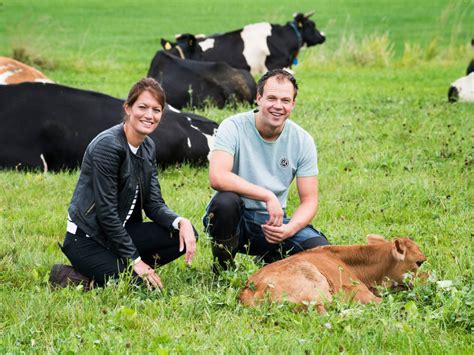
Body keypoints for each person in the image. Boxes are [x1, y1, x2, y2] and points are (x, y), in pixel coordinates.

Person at [49, 77, 197, 290]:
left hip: (121, 234)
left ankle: (117, 267)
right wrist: (137, 261)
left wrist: (180, 221)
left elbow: (154, 204)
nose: (149, 115)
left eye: (156, 110)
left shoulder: (148, 147)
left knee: (186, 233)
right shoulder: (107, 146)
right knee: (140, 287)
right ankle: (72, 277)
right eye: (143, 107)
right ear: (128, 108)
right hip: (88, 238)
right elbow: (106, 213)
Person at [203, 69, 329, 272]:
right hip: (237, 219)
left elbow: (310, 200)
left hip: (273, 223)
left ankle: (269, 255)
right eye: (271, 98)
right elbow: (217, 177)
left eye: (285, 100)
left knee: (321, 250)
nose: (278, 106)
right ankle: (223, 265)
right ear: (258, 98)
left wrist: (290, 229)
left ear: (293, 105)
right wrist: (268, 196)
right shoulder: (233, 126)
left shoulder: (302, 140)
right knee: (225, 202)